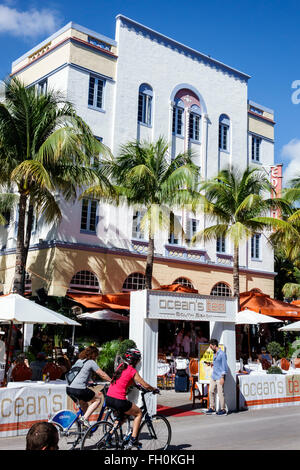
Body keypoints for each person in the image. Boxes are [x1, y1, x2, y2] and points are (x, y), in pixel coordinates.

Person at [106, 348, 158, 449]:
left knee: (123, 417)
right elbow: (145, 385)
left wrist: (136, 386)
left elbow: (126, 380)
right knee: (139, 413)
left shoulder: (121, 366)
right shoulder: (132, 371)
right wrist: (154, 389)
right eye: (139, 359)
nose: (139, 361)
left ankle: (108, 437)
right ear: (135, 360)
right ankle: (134, 439)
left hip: (109, 398)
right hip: (119, 400)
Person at [66, 345, 111, 427]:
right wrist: (112, 381)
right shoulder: (91, 362)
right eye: (96, 356)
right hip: (79, 389)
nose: (96, 358)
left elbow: (80, 374)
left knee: (84, 405)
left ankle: (84, 427)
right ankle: (84, 419)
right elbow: (102, 374)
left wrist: (88, 382)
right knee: (97, 399)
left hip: (69, 388)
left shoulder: (79, 360)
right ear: (93, 354)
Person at [206, 339, 228, 416]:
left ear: (215, 346)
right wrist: (211, 364)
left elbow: (224, 366)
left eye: (211, 346)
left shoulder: (222, 354)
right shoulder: (214, 353)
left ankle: (223, 409)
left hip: (219, 376)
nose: (210, 348)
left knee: (220, 393)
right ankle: (212, 407)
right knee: (210, 391)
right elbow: (217, 363)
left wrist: (222, 377)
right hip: (214, 375)